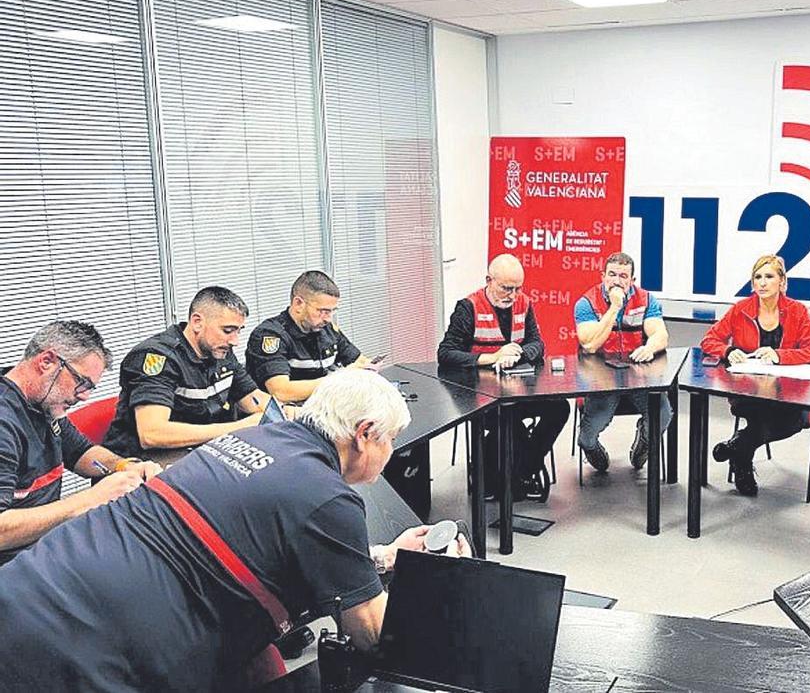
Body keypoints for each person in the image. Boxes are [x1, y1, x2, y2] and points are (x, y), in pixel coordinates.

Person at [0, 368, 470, 690]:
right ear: (365, 433)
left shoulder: (255, 437)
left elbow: (272, 543)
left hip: (32, 586)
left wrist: (385, 556)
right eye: (391, 440)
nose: (392, 451)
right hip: (82, 644)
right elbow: (371, 632)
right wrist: (435, 584)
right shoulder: (329, 495)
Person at [0, 321, 160, 565]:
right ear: (47, 362)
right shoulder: (5, 422)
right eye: (82, 382)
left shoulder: (43, 403)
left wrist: (123, 467)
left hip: (45, 544)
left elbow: (81, 453)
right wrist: (90, 499)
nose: (84, 395)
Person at [437, 254, 569, 501]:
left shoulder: (524, 303)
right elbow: (446, 353)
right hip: (480, 395)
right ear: (489, 280)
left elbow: (537, 344)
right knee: (506, 420)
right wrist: (493, 357)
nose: (513, 294)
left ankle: (525, 470)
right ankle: (498, 476)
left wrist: (518, 352)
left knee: (559, 408)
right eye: (507, 288)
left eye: (518, 288)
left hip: (517, 390)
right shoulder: (468, 307)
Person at [700, 255, 810, 496]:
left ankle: (740, 448)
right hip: (747, 390)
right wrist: (729, 350)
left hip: (786, 392)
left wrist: (779, 355)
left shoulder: (797, 311)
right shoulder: (740, 310)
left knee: (791, 421)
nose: (762, 283)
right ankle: (742, 457)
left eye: (769, 277)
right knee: (760, 413)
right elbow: (709, 340)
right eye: (758, 277)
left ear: (782, 282)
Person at [103, 286, 266, 456]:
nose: (235, 341)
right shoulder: (157, 357)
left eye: (239, 331)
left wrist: (286, 413)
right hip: (139, 465)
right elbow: (152, 434)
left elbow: (253, 399)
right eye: (227, 331)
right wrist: (239, 427)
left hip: (195, 454)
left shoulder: (219, 349)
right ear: (197, 322)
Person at [574, 252, 673, 473]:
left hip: (638, 377)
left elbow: (660, 335)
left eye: (623, 276)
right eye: (612, 274)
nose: (617, 281)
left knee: (664, 415)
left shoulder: (646, 299)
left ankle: (645, 440)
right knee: (586, 437)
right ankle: (592, 449)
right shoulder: (586, 303)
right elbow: (589, 345)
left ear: (632, 280)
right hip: (602, 380)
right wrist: (614, 308)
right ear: (603, 276)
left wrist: (649, 347)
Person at [246, 270, 374, 403]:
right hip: (288, 415)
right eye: (323, 311)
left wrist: (366, 368)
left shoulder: (327, 329)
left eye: (332, 311)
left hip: (325, 406)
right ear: (298, 304)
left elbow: (360, 361)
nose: (328, 319)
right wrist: (341, 378)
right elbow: (281, 392)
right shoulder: (270, 335)